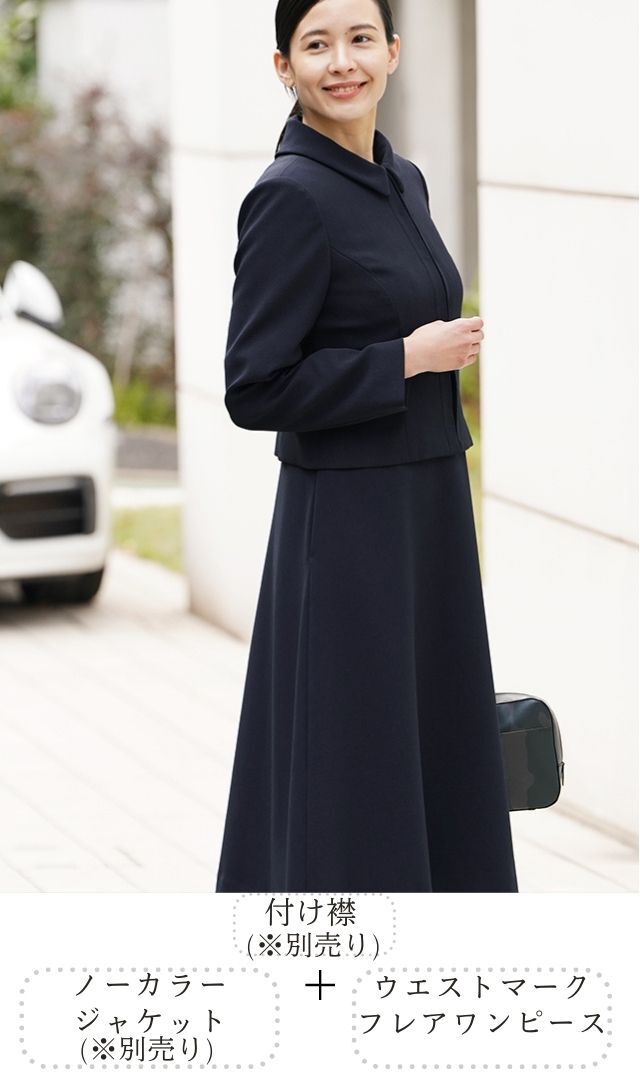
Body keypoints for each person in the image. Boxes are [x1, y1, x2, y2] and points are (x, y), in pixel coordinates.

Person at [215, 0, 519, 894]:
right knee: (356, 756)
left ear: (392, 51)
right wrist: (405, 359)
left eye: (359, 40)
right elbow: (254, 385)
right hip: (350, 522)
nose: (341, 62)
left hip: (428, 504)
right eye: (316, 45)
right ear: (285, 67)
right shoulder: (288, 196)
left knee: (431, 739)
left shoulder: (401, 178)